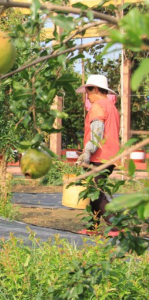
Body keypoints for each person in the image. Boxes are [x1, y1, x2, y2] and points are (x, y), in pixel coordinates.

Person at [75, 74, 120, 236]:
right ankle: (92, 227)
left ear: (94, 88)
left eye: (88, 90)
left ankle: (116, 226)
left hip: (99, 158)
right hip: (111, 156)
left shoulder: (98, 106)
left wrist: (87, 151)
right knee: (94, 191)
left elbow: (97, 133)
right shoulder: (111, 107)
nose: (86, 94)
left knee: (96, 193)